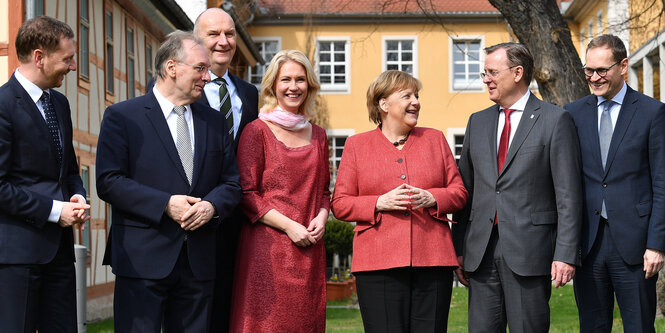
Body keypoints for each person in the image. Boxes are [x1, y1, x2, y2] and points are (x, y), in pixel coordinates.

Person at [96, 31, 241, 332]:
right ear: (172, 67)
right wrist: (165, 204)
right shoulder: (123, 116)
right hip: (141, 259)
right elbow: (109, 181)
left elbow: (232, 182)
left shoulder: (213, 121)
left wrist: (212, 206)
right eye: (201, 68)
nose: (208, 77)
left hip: (198, 260)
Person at [451, 42, 583, 333]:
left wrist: (565, 253)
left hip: (530, 253)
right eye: (484, 73)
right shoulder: (477, 121)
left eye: (492, 72)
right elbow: (466, 191)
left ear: (518, 73)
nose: (486, 79)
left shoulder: (554, 119)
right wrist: (458, 248)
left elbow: (568, 195)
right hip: (481, 253)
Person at [331, 70, 468, 333]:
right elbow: (340, 203)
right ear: (383, 104)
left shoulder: (435, 139)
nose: (415, 101)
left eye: (417, 95)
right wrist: (378, 202)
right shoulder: (356, 145)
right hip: (377, 264)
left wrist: (433, 197)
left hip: (433, 261)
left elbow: (459, 192)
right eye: (407, 96)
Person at [565, 34, 665, 333]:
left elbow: (662, 182)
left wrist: (657, 244)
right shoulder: (572, 114)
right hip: (589, 244)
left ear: (623, 66)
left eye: (602, 70)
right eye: (589, 71)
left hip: (636, 246)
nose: (594, 78)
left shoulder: (652, 112)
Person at [229, 49, 329, 332]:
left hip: (309, 249)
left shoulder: (319, 135)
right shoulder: (256, 130)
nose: (293, 87)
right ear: (273, 84)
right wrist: (289, 227)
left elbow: (323, 190)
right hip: (267, 251)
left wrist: (321, 218)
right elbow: (246, 194)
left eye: (300, 79)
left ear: (309, 84)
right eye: (286, 79)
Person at [0, 16, 90, 332]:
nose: (73, 66)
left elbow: (68, 169)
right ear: (39, 57)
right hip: (17, 257)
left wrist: (77, 195)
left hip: (60, 254)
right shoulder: (2, 104)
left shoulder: (60, 104)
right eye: (67, 58)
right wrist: (55, 211)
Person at [192, 9, 260, 331]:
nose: (224, 42)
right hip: (191, 215)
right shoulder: (171, 87)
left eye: (230, 34)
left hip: (236, 219)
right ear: (196, 40)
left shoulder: (249, 94)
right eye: (213, 34)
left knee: (228, 312)